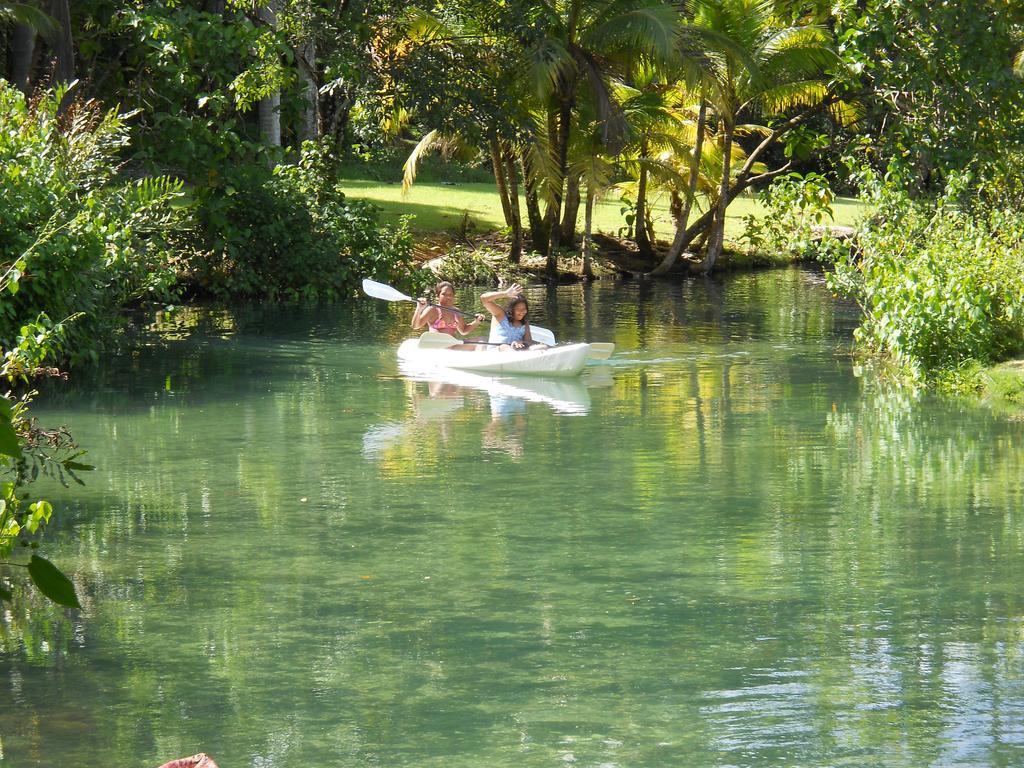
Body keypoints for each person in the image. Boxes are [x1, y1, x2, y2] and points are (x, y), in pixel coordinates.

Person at [411, 281, 485, 338]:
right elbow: (415, 326)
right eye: (444, 294)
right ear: (438, 295)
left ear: (453, 296)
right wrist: (419, 309)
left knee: (481, 340)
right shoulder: (432, 309)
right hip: (436, 346)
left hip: (452, 346)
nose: (448, 297)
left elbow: (463, 330)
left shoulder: (456, 312)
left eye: (450, 295)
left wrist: (476, 322)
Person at [481, 284, 545, 350]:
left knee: (542, 347)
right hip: (497, 351)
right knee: (505, 347)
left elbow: (529, 341)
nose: (522, 311)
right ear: (511, 309)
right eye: (518, 309)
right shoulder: (500, 314)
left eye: (524, 308)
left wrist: (521, 342)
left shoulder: (524, 322)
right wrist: (505, 293)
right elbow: (484, 299)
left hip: (516, 351)